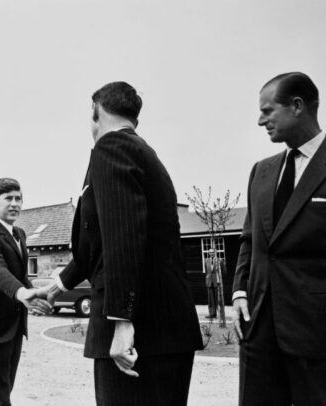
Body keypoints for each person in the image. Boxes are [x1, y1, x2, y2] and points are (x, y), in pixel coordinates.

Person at [41, 81, 203, 405]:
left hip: (140, 335)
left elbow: (124, 236)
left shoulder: (111, 148)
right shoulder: (144, 153)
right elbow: (101, 242)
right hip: (165, 331)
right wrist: (57, 285)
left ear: (95, 112)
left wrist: (121, 320)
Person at [232, 72, 326, 405]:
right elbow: (248, 239)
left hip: (315, 334)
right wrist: (240, 291)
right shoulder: (261, 171)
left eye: (268, 110)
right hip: (258, 331)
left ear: (297, 106)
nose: (260, 120)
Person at [0, 178, 52, 406]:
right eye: (9, 199)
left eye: (19, 198)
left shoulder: (21, 234)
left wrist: (35, 293)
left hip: (13, 328)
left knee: (4, 391)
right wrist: (21, 293)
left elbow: (19, 275)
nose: (15, 204)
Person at [204, 249, 225, 319]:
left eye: (212, 252)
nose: (211, 253)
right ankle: (211, 314)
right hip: (209, 282)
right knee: (210, 299)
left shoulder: (219, 260)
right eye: (210, 252)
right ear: (208, 253)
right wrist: (207, 279)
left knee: (218, 299)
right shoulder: (206, 261)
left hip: (217, 282)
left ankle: (220, 314)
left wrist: (220, 279)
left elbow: (224, 271)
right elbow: (207, 272)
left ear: (215, 253)